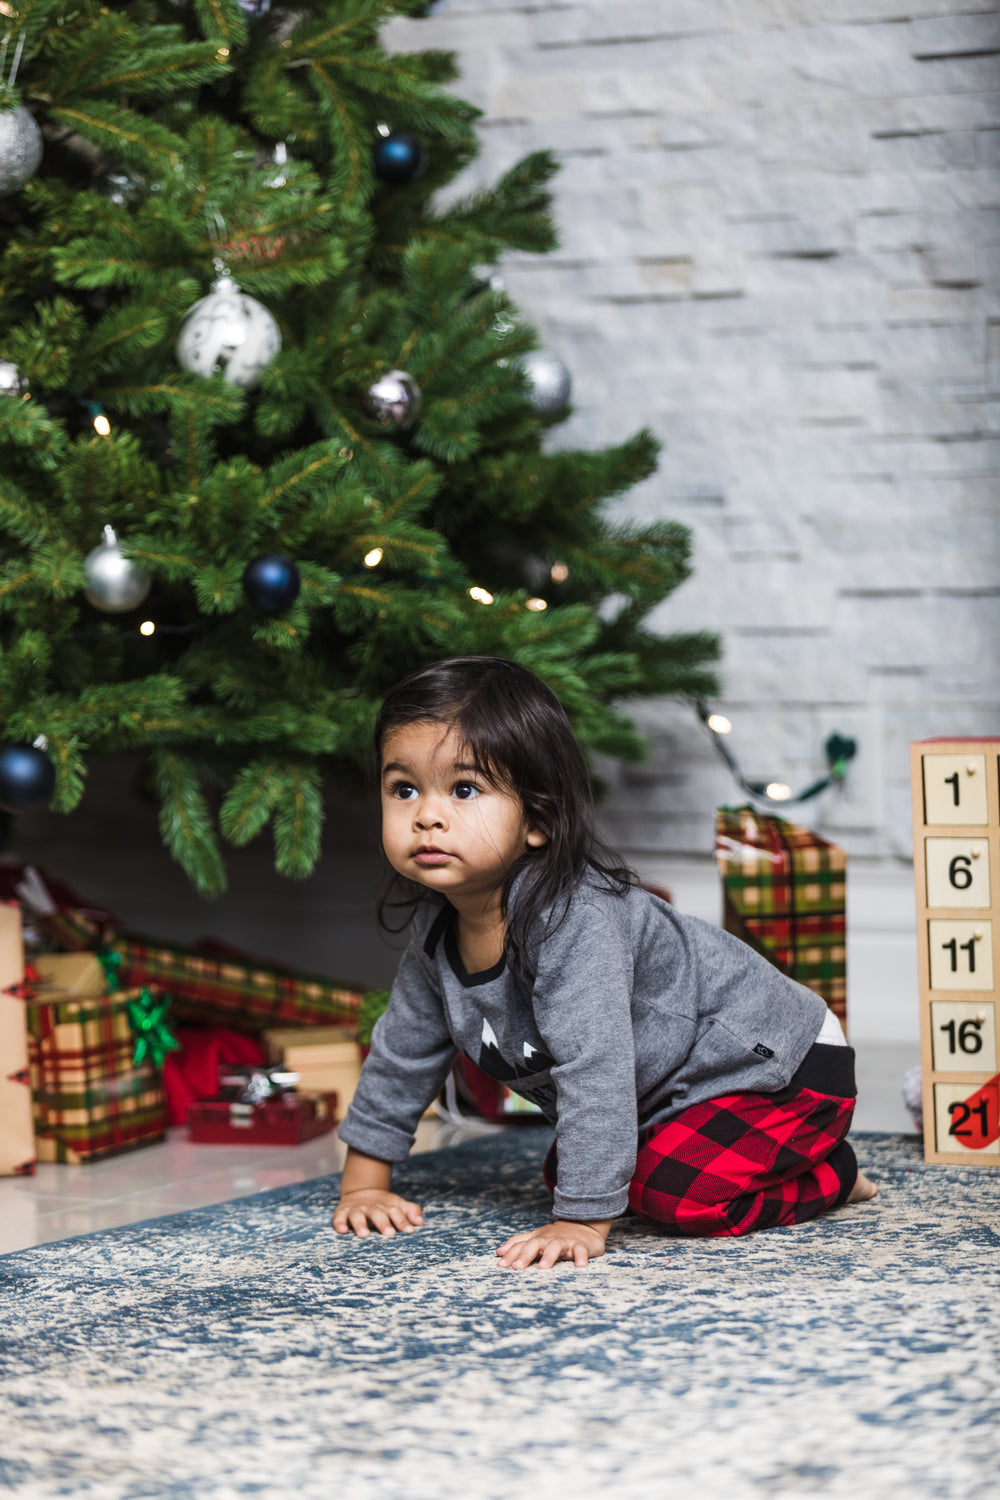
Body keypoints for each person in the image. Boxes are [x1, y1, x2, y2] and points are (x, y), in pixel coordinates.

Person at [332, 656, 876, 1268]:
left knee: (674, 1198)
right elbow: (403, 1053)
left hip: (780, 1067)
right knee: (574, 1168)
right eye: (404, 789)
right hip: (666, 1093)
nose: (426, 815)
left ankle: (833, 1174)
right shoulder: (438, 930)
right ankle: (745, 1164)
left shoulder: (572, 920)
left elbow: (595, 1069)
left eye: (464, 789)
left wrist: (582, 1224)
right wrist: (365, 1185)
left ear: (537, 819)